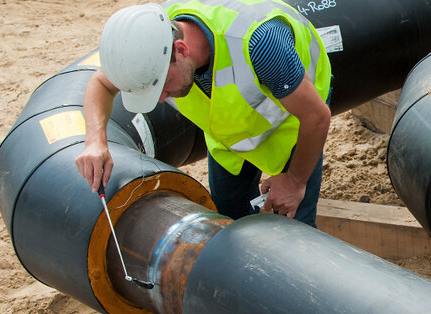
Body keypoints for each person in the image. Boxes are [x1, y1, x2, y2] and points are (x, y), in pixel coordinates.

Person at [74, 1, 332, 227]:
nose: (161, 99)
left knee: (295, 223)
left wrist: (295, 181)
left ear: (181, 50)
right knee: (229, 216)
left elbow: (316, 117)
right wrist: (95, 140)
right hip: (229, 134)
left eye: (162, 86)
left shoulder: (260, 45)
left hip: (292, 122)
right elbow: (100, 83)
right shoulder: (151, 38)